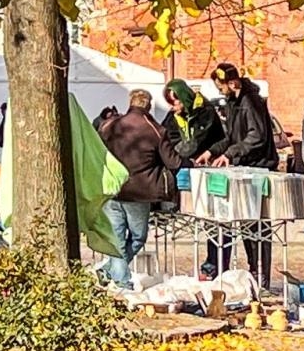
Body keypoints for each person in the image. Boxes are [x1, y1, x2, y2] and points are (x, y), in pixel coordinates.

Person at [195, 63, 279, 286]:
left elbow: (256, 136)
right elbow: (232, 137)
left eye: (221, 86)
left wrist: (231, 154)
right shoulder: (233, 102)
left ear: (232, 83)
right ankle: (253, 274)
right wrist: (212, 151)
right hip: (245, 168)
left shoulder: (250, 102)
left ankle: (260, 276)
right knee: (245, 225)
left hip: (259, 167)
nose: (219, 91)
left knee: (257, 228)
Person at [99, 90, 182, 288]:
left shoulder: (109, 126)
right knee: (138, 236)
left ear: (130, 103)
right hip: (139, 192)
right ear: (149, 106)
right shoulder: (155, 130)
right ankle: (122, 281)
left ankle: (109, 270)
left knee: (117, 237)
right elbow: (173, 161)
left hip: (111, 189)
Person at [160, 79, 223, 162]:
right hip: (186, 161)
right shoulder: (174, 114)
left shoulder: (205, 111)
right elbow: (165, 137)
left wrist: (174, 157)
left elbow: (197, 141)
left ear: (183, 98)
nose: (170, 107)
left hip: (209, 160)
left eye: (172, 102)